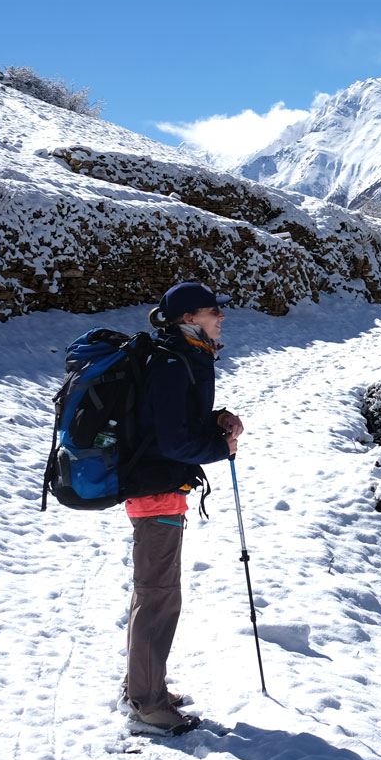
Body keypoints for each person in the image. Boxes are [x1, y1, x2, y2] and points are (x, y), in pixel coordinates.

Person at [119, 280, 245, 732]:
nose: (222, 317)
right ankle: (147, 703)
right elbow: (173, 441)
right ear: (189, 318)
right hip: (155, 488)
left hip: (159, 486)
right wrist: (220, 445)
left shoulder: (183, 356)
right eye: (214, 310)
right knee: (159, 597)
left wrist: (216, 420)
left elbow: (172, 421)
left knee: (153, 592)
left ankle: (141, 683)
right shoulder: (173, 363)